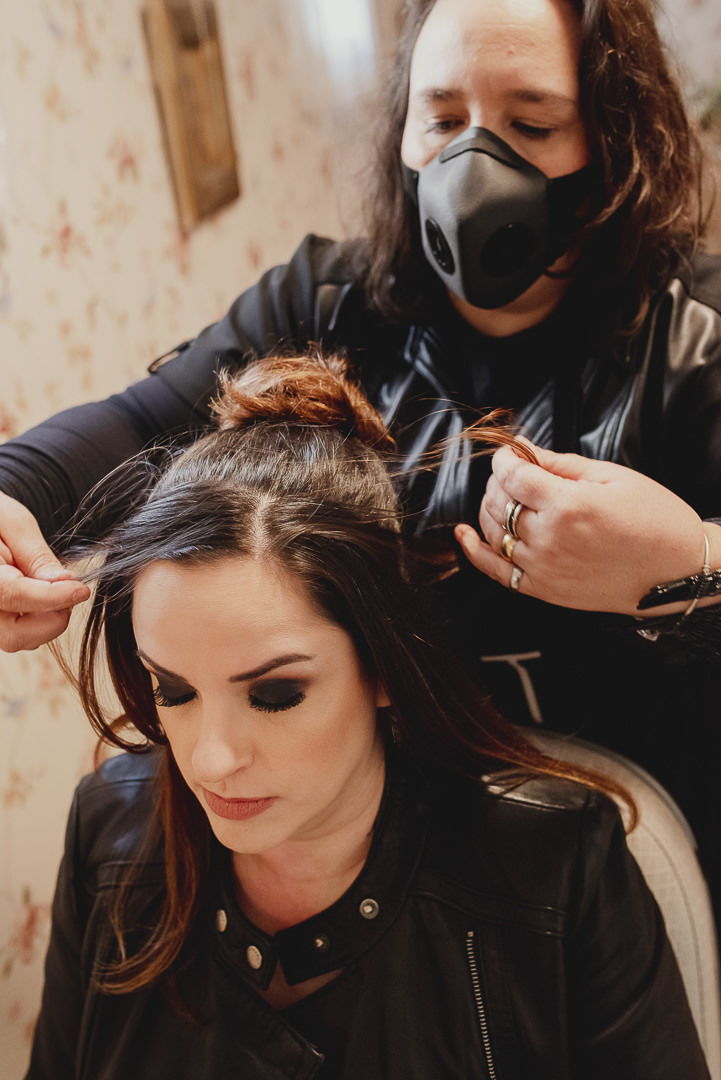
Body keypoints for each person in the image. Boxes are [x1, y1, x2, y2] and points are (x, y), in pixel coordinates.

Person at [2, 0, 721, 909]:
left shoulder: (696, 340)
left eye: (531, 125)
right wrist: (11, 496)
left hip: (646, 858)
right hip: (408, 861)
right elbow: (138, 422)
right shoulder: (328, 301)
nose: (473, 162)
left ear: (614, 143)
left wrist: (686, 566)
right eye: (442, 119)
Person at [25, 355, 708, 1079]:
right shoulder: (109, 833)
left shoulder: (558, 866)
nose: (210, 760)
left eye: (275, 695)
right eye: (173, 690)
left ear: (384, 665)